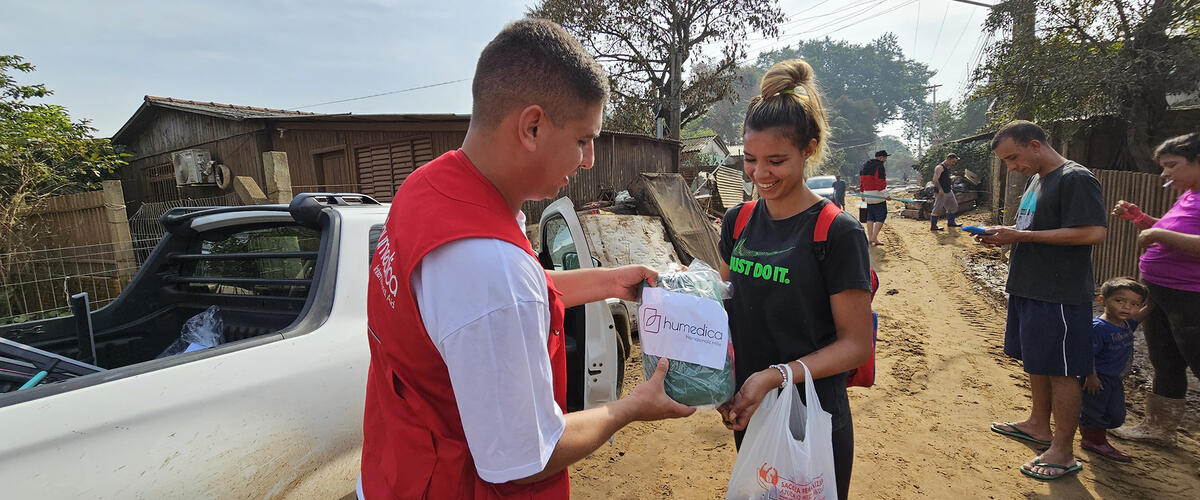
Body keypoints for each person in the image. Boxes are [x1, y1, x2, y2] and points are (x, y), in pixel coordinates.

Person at [359, 19, 694, 499]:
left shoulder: (430, 188)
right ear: (532, 126)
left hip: (398, 469)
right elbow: (526, 460)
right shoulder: (490, 271)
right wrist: (631, 407)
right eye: (583, 139)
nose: (589, 161)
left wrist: (609, 281)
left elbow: (524, 289)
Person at [715, 59, 875, 500]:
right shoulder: (738, 221)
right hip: (750, 406)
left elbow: (856, 345)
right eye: (750, 159)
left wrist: (776, 375)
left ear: (809, 148)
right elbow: (725, 301)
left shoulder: (836, 232)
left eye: (776, 160)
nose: (760, 174)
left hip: (814, 416)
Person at [978, 120, 1107, 481]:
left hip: (1060, 293)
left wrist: (1021, 236)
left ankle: (1063, 451)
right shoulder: (1038, 179)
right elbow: (1031, 228)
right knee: (1037, 362)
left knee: (1062, 370)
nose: (1011, 167)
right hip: (1029, 286)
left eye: (1013, 157)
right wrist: (1006, 237)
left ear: (1036, 145)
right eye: (1006, 161)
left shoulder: (1075, 178)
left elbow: (1094, 232)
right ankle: (1038, 424)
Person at [1109, 132, 1200, 446]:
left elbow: (1172, 236)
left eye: (1172, 165)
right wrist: (1141, 218)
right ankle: (1159, 428)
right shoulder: (1189, 194)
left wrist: (1160, 236)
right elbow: (1172, 228)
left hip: (1192, 298)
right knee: (1167, 361)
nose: (1165, 174)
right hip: (1162, 292)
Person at [1079, 278, 1148, 463]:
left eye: (1134, 304)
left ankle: (1088, 429)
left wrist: (1156, 301)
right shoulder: (1099, 328)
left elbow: (1140, 315)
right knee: (1096, 412)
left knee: (1116, 415)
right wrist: (1090, 376)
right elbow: (1087, 353)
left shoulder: (1126, 324)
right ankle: (1094, 440)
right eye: (1120, 301)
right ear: (1102, 301)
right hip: (1097, 378)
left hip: (1114, 379)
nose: (1127, 307)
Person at [859, 150, 891, 245]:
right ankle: (874, 237)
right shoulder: (879, 167)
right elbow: (879, 183)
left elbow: (862, 182)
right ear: (881, 158)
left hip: (867, 194)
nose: (885, 160)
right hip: (877, 194)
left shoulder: (865, 166)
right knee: (881, 215)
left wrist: (862, 193)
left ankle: (870, 238)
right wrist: (886, 194)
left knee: (870, 216)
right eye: (885, 158)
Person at [929, 153, 962, 231]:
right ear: (949, 159)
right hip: (941, 192)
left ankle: (951, 222)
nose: (953, 163)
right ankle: (933, 226)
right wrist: (940, 189)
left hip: (948, 190)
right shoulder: (939, 167)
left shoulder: (947, 168)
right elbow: (935, 180)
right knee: (937, 208)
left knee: (953, 206)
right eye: (953, 161)